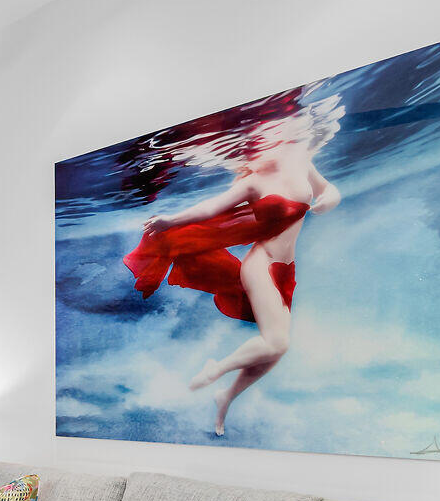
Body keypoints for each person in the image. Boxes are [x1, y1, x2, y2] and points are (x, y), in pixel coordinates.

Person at [123, 95, 342, 435]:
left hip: (287, 268)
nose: (259, 150)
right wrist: (169, 220)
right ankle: (216, 369)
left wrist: (328, 199)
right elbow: (209, 208)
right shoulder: (252, 183)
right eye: (252, 147)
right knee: (277, 342)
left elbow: (328, 189)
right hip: (260, 265)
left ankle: (226, 396)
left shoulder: (300, 159)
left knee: (274, 351)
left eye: (266, 140)